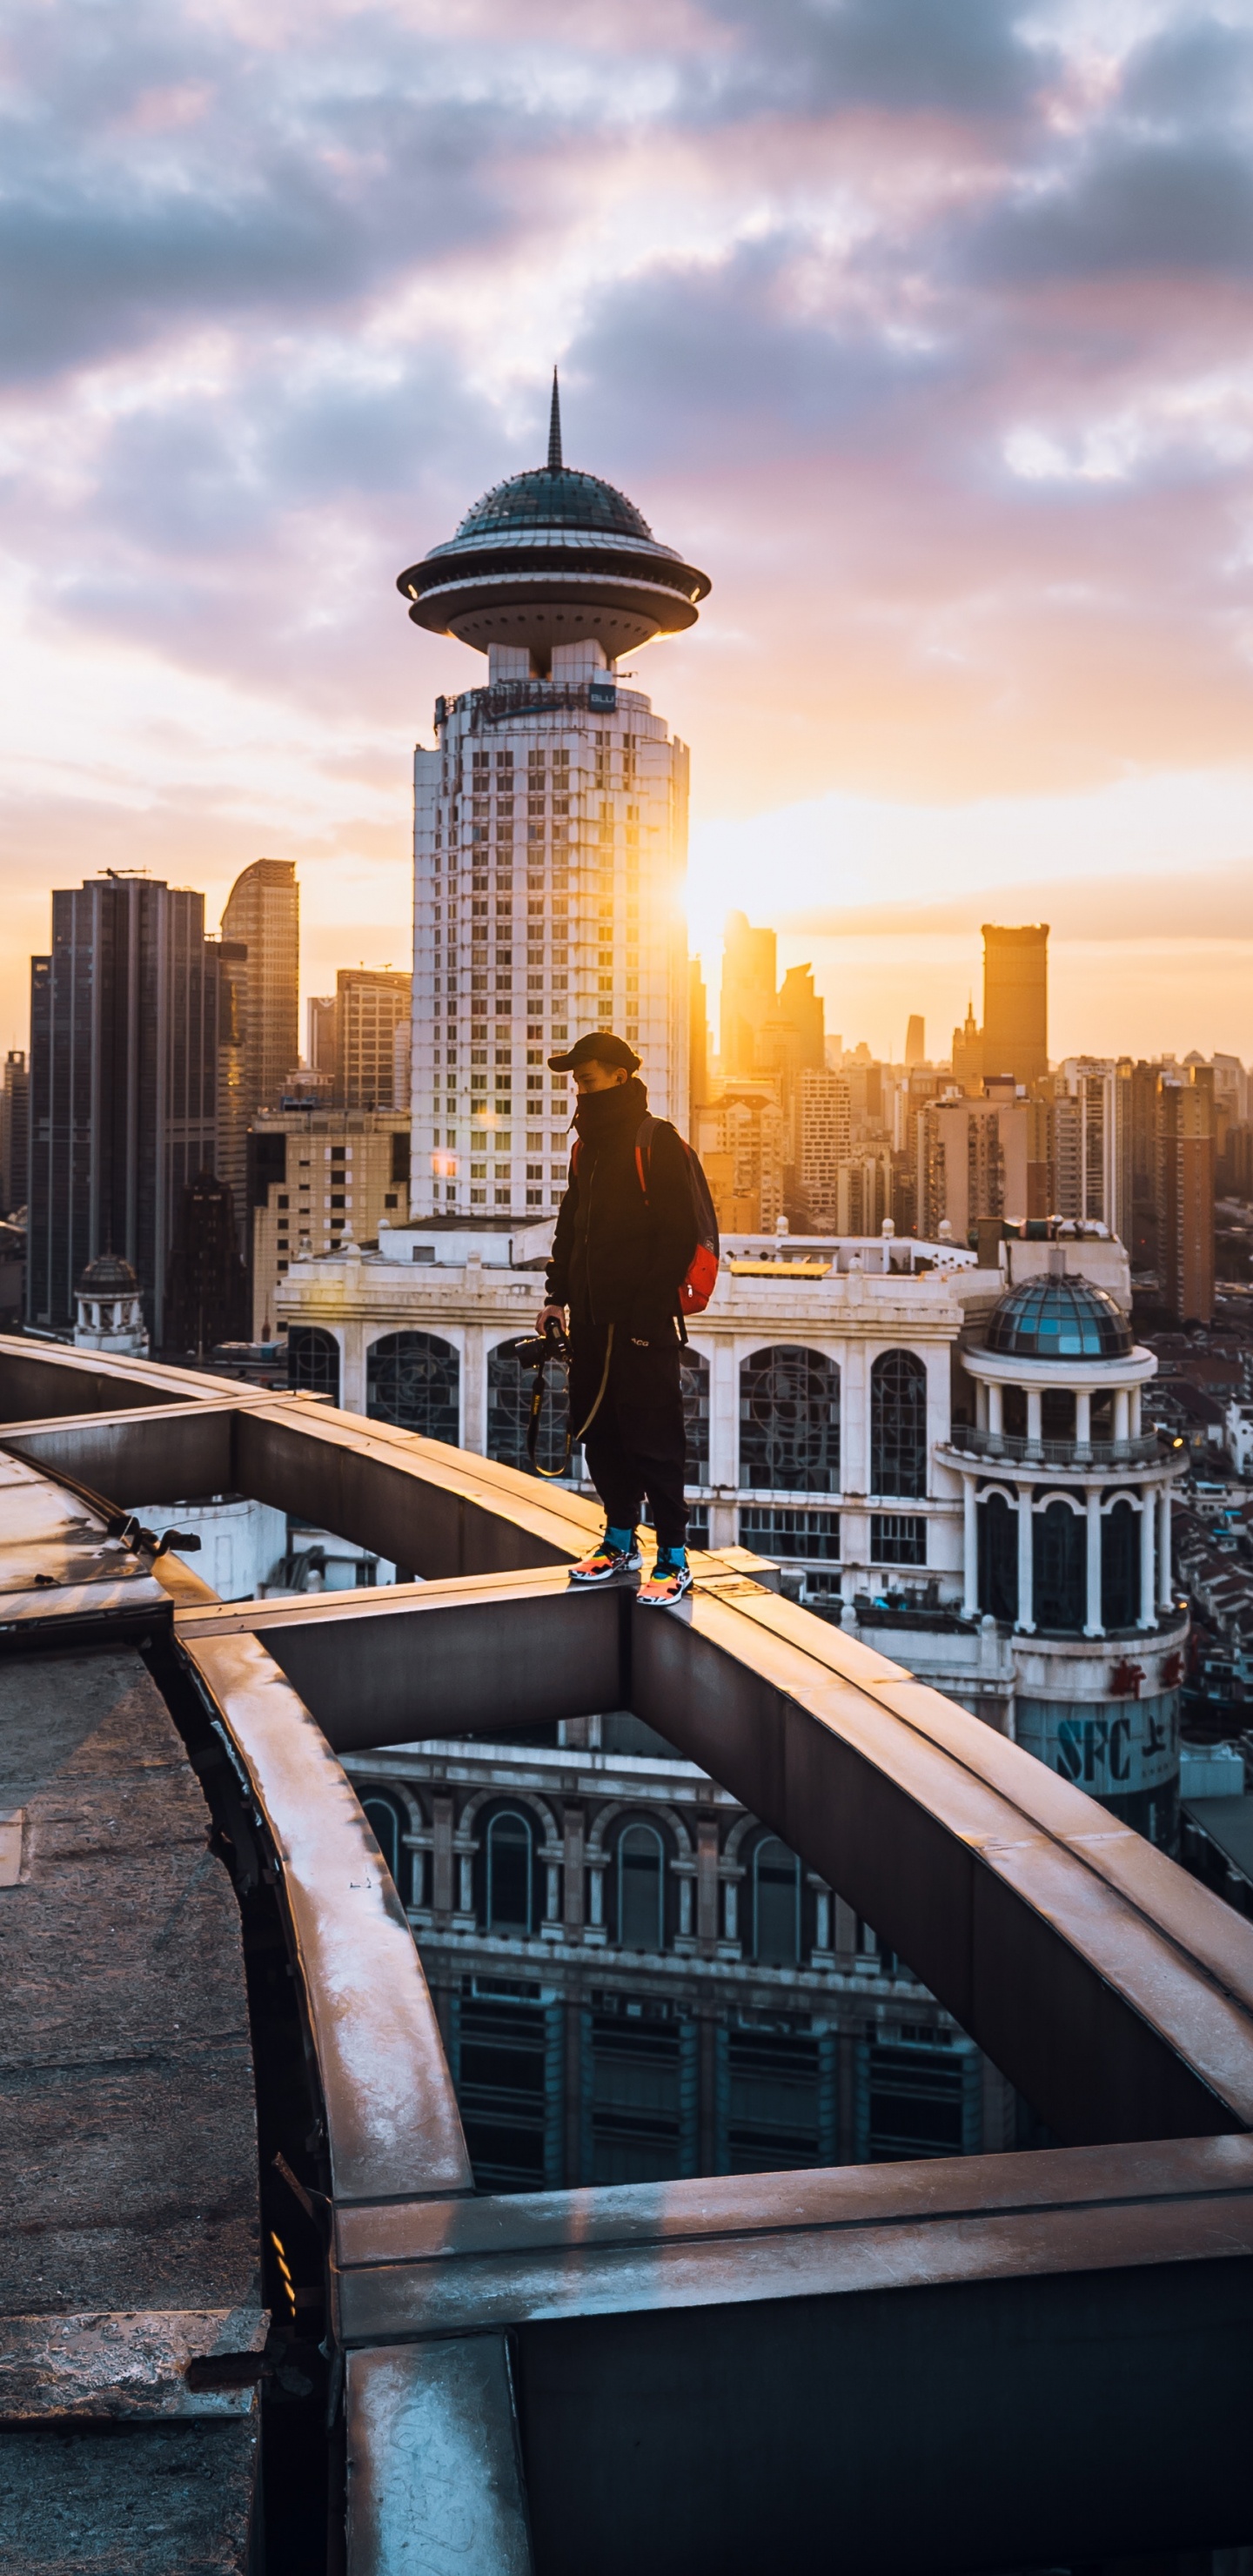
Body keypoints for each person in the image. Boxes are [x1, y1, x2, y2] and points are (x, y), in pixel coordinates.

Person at [536, 1030, 698, 1606]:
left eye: (588, 1077)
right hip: (592, 1322)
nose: (579, 1087)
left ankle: (675, 1556)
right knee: (599, 1433)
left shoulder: (654, 1141)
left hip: (643, 1325)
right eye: (576, 1079)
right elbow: (570, 1228)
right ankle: (620, 1538)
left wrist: (644, 1311)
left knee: (654, 1439)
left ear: (621, 1077)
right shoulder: (587, 1149)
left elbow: (678, 1235)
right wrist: (556, 1297)